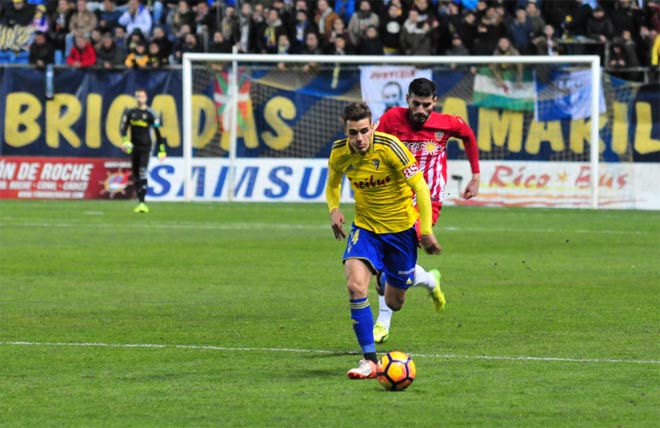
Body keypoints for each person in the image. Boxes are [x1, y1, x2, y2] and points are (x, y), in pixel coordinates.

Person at [326, 101, 441, 379]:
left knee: (394, 302)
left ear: (373, 126)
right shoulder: (339, 153)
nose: (359, 138)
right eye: (353, 133)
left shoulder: (391, 148)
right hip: (365, 229)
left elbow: (421, 188)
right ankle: (369, 361)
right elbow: (333, 183)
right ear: (346, 131)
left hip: (400, 232)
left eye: (364, 131)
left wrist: (425, 230)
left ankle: (427, 279)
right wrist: (334, 208)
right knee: (355, 287)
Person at [372, 77, 481, 344]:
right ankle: (429, 280)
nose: (420, 110)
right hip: (394, 199)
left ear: (434, 102)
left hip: (429, 200)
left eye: (425, 105)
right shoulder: (391, 119)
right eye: (416, 104)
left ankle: (382, 323)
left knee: (394, 257)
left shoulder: (447, 123)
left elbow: (468, 136)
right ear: (407, 99)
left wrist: (475, 175)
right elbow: (372, 144)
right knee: (386, 269)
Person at [120, 89, 166, 213]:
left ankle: (142, 202)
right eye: (138, 96)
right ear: (136, 98)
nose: (140, 98)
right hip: (134, 147)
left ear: (146, 98)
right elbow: (123, 128)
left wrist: (162, 149)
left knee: (142, 172)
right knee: (136, 174)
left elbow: (157, 133)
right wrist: (125, 141)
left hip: (146, 147)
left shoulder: (151, 114)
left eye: (142, 96)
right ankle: (139, 200)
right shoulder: (130, 113)